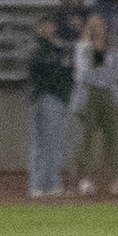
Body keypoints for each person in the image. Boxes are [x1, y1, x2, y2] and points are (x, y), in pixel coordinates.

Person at [69, 12, 118, 197]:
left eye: (100, 25)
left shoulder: (112, 47)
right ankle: (84, 179)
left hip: (108, 93)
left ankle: (116, 179)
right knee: (87, 138)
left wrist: (102, 74)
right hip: (89, 94)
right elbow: (82, 73)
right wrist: (100, 71)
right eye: (94, 26)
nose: (98, 29)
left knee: (112, 139)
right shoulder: (84, 48)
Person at [27, 14, 73, 199]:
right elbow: (50, 72)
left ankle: (45, 184)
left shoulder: (56, 49)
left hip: (50, 97)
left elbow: (67, 71)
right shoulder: (42, 50)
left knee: (48, 143)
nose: (46, 29)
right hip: (47, 97)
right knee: (47, 143)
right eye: (43, 26)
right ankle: (44, 184)